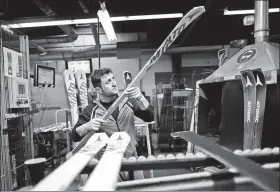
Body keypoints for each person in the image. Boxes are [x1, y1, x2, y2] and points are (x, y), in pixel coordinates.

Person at [71, 68, 154, 181]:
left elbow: (149, 117)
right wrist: (87, 126)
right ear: (98, 90)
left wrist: (140, 97)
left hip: (132, 161)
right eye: (108, 82)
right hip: (107, 166)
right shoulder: (91, 110)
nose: (114, 83)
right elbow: (74, 136)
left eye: (113, 79)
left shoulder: (128, 101)